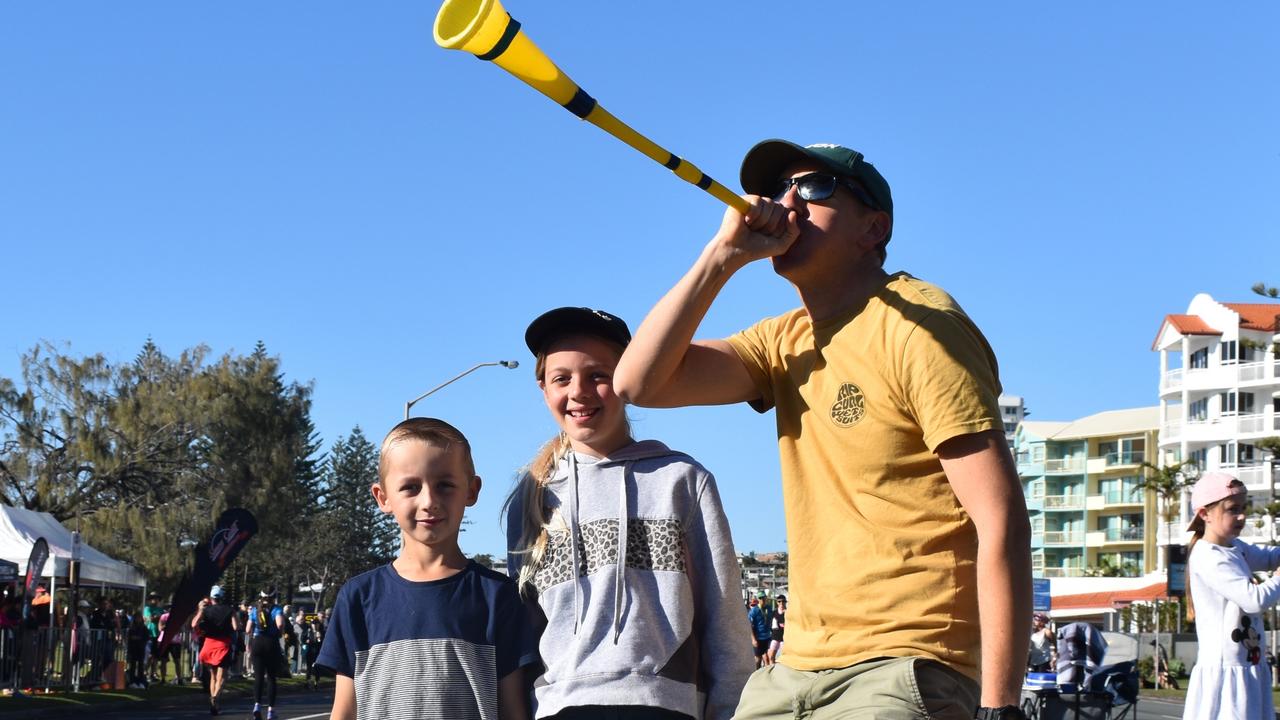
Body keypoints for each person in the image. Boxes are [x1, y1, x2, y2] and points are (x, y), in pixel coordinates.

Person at [613, 140, 1032, 720]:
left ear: (873, 228)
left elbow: (1001, 518)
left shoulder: (921, 327)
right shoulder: (784, 341)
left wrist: (1000, 707)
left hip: (906, 663)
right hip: (796, 669)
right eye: (781, 189)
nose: (788, 202)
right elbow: (639, 383)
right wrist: (722, 255)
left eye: (814, 188)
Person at [505, 307, 752, 720]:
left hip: (663, 705)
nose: (579, 391)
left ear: (627, 380)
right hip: (561, 707)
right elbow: (525, 633)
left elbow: (724, 617)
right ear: (543, 388)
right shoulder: (530, 498)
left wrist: (730, 711)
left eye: (598, 375)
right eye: (562, 378)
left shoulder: (683, 480)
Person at [318, 418, 538, 720]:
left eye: (445, 485)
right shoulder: (358, 598)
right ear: (383, 497)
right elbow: (344, 710)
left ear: (471, 491)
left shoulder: (498, 596)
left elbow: (513, 710)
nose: (429, 501)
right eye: (410, 487)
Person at [1182, 471, 1280, 719]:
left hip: (1247, 665)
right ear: (1205, 514)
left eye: (1243, 508)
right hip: (1226, 672)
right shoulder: (1208, 556)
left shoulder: (1235, 547)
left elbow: (1269, 556)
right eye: (1232, 509)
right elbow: (1254, 600)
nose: (1242, 515)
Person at [192, 585, 238, 715]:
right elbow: (236, 626)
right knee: (222, 677)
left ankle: (215, 705)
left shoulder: (206, 611)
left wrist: (200, 611)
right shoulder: (230, 610)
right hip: (223, 644)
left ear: (211, 598)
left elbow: (194, 624)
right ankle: (215, 698)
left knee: (212, 675)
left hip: (209, 644)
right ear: (222, 597)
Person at [248, 588, 287, 720]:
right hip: (271, 643)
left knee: (258, 677)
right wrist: (279, 633)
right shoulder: (277, 609)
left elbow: (248, 628)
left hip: (257, 642)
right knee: (271, 678)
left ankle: (257, 706)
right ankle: (271, 710)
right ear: (274, 596)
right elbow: (280, 624)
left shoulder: (254, 609)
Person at [747, 592, 773, 669]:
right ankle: (756, 675)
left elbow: (770, 619)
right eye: (760, 598)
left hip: (767, 637)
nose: (762, 600)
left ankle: (767, 676)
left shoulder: (769, 608)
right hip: (758, 639)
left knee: (767, 658)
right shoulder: (754, 610)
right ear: (758, 599)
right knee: (758, 659)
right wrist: (753, 639)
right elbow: (749, 625)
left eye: (763, 597)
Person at [766, 594, 786, 664]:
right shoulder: (774, 612)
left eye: (783, 601)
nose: (781, 603)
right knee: (771, 656)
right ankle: (772, 670)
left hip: (784, 639)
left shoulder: (788, 613)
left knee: (784, 658)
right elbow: (770, 624)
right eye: (779, 601)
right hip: (775, 637)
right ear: (777, 603)